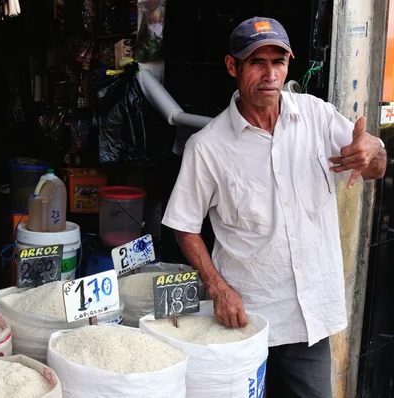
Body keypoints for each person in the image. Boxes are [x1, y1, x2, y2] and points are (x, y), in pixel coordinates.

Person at [162, 16, 387, 397]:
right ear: (233, 66)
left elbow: (375, 168)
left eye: (278, 62)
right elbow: (184, 224)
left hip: (308, 321)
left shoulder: (315, 115)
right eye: (256, 62)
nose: (270, 74)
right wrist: (217, 288)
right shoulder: (208, 146)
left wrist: (374, 150)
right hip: (245, 322)